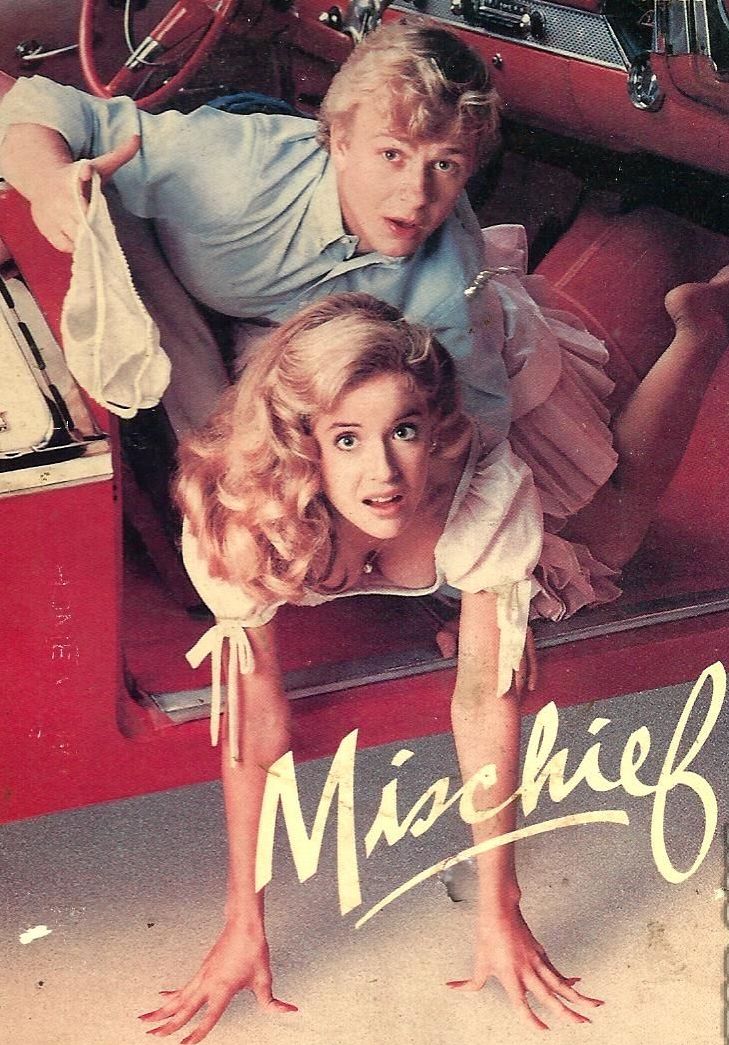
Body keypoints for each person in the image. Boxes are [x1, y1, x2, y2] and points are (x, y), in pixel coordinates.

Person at [138, 265, 729, 1041]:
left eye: (403, 431)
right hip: (310, 420)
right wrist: (241, 922)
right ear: (304, 446)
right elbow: (257, 726)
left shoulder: (480, 486)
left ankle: (702, 328)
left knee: (611, 533)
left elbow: (482, 698)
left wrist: (499, 906)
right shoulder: (239, 523)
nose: (383, 473)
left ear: (434, 429)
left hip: (491, 374)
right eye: (346, 439)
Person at [0, 20, 509, 444]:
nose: (416, 195)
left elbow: (477, 422)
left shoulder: (451, 278)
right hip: (194, 225)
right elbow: (40, 103)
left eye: (445, 165)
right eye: (392, 154)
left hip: (277, 311)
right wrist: (48, 184)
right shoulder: (233, 169)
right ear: (341, 142)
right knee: (212, 439)